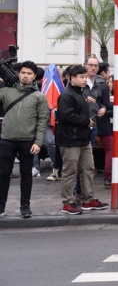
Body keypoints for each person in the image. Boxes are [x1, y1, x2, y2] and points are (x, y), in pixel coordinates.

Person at [55, 65, 108, 215]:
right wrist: (85, 121)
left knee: (88, 169)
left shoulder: (82, 93)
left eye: (85, 77)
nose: (85, 80)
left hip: (83, 138)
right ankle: (67, 202)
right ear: (72, 78)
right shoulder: (66, 95)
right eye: (81, 77)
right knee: (70, 171)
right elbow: (66, 115)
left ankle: (87, 199)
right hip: (70, 139)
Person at [0, 61, 49, 218]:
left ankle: (25, 207)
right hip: (6, 139)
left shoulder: (39, 96)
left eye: (29, 73)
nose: (25, 76)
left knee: (26, 174)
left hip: (28, 141)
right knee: (3, 174)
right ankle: (1, 207)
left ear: (34, 76)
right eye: (23, 73)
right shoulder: (6, 91)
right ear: (18, 74)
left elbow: (42, 121)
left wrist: (38, 142)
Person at [82, 56, 110, 188]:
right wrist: (83, 98)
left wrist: (103, 109)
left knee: (88, 157)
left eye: (95, 66)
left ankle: (86, 189)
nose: (93, 68)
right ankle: (78, 188)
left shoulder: (99, 84)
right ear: (85, 65)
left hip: (93, 124)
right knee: (79, 158)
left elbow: (102, 104)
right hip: (80, 124)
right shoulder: (78, 82)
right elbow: (67, 98)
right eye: (90, 65)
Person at [95, 62, 114, 187]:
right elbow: (106, 104)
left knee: (84, 151)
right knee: (110, 149)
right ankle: (109, 177)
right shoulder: (103, 85)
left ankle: (79, 180)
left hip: (86, 122)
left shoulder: (82, 82)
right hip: (101, 123)